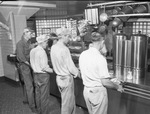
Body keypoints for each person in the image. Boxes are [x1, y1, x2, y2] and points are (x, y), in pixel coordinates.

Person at [79, 31, 124, 114]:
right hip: (97, 93)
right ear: (102, 42)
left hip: (87, 91)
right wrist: (117, 87)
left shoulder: (83, 54)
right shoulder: (100, 58)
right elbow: (105, 82)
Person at [50, 27, 80, 114]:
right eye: (68, 37)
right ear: (64, 36)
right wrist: (78, 73)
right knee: (67, 105)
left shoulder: (53, 47)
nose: (69, 39)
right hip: (66, 79)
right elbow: (70, 67)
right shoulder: (64, 49)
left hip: (59, 78)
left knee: (66, 100)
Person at [30, 34, 53, 114]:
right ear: (43, 42)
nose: (47, 45)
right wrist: (53, 70)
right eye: (46, 43)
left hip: (35, 74)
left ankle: (39, 111)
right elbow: (44, 67)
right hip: (43, 76)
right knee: (44, 96)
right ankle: (45, 112)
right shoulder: (42, 52)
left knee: (38, 94)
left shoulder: (32, 50)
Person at [16, 27, 36, 113]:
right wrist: (31, 65)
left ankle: (25, 99)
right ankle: (32, 106)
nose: (31, 35)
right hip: (24, 66)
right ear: (25, 33)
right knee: (30, 86)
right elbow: (22, 58)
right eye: (30, 33)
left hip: (27, 65)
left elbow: (29, 51)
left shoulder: (28, 42)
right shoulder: (20, 43)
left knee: (26, 83)